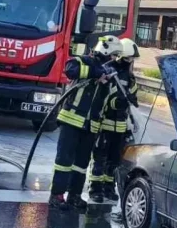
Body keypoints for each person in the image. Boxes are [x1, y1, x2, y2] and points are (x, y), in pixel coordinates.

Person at [48, 35, 122, 211]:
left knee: (81, 164)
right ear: (105, 50)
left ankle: (74, 195)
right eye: (113, 55)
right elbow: (70, 70)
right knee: (64, 160)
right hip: (71, 120)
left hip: (91, 126)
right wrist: (96, 73)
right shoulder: (83, 61)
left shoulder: (109, 73)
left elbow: (109, 100)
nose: (113, 59)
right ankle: (57, 195)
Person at [88, 38, 140, 203]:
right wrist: (116, 102)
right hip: (105, 123)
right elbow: (102, 96)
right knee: (100, 158)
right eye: (129, 58)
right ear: (121, 56)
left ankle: (108, 188)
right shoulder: (108, 70)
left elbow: (132, 96)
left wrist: (132, 98)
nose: (131, 62)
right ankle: (95, 189)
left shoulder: (130, 77)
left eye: (132, 59)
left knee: (114, 160)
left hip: (121, 126)